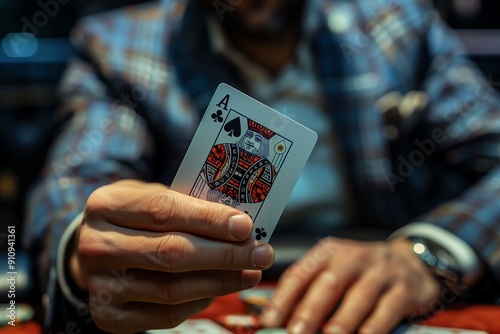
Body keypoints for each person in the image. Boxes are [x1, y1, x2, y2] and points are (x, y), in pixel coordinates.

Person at [23, 0, 500, 333]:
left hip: (380, 285)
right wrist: (85, 254)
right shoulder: (123, 45)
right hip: (202, 297)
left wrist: (424, 253)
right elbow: (73, 182)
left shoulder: (398, 23)